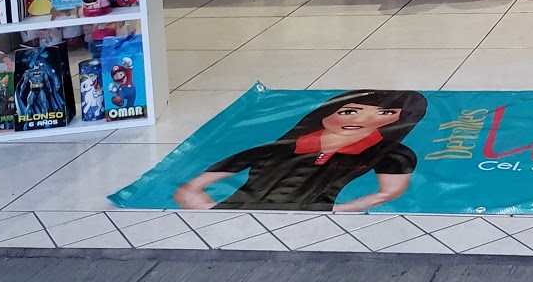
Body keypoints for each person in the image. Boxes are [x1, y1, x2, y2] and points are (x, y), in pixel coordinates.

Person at [173, 90, 427, 212]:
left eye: (385, 113)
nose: (360, 120)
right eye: (349, 111)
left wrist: (334, 213)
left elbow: (388, 193)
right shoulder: (276, 149)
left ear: (398, 119)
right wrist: (216, 216)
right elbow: (188, 189)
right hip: (235, 218)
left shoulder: (391, 154)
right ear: (326, 113)